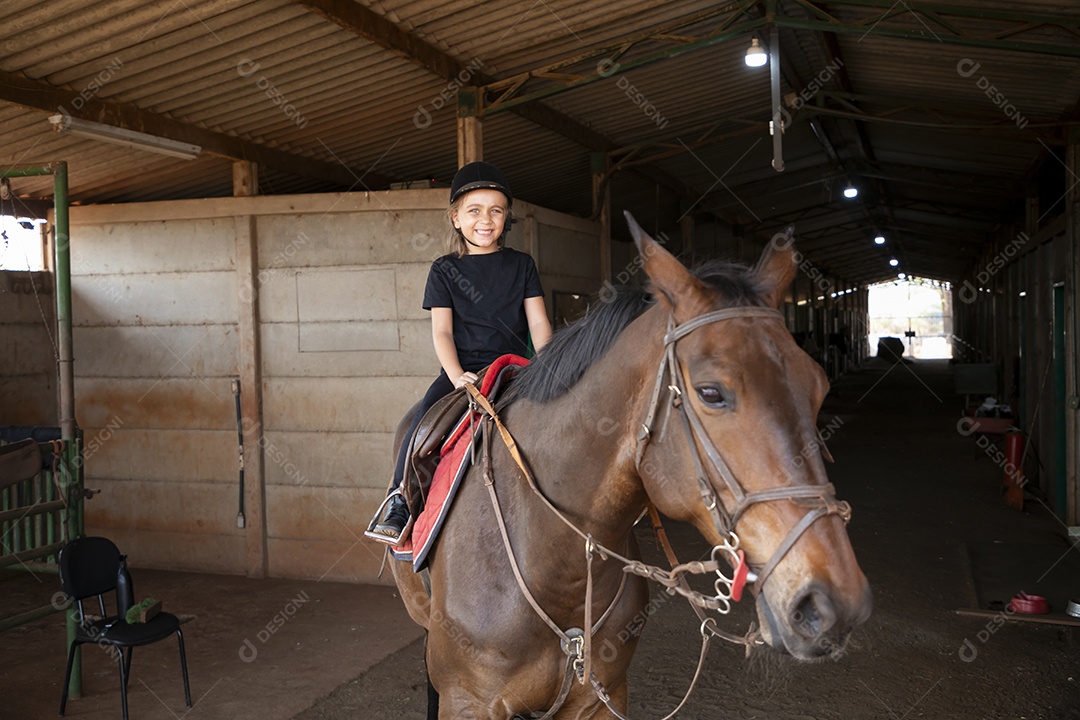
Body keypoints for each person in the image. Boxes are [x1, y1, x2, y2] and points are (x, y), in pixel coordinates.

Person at [365, 161, 553, 544]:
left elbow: (537, 323)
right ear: (455, 218)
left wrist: (549, 364)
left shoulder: (522, 265)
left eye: (495, 211)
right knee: (419, 430)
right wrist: (454, 375)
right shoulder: (444, 270)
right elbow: (442, 332)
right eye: (474, 211)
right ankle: (399, 501)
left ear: (505, 218)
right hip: (463, 372)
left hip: (515, 370)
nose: (485, 220)